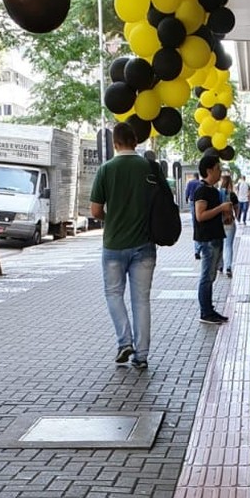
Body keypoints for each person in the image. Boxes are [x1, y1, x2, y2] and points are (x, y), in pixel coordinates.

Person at [89, 121, 156, 371]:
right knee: (141, 300)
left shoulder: (106, 169)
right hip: (145, 244)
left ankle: (124, 341)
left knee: (113, 294)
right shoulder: (148, 168)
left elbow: (95, 210)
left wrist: (112, 217)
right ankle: (142, 355)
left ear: (115, 143)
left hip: (114, 244)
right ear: (135, 141)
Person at [193, 153, 229, 326]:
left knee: (211, 276)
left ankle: (209, 309)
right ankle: (205, 312)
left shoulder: (213, 191)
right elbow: (200, 216)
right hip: (207, 239)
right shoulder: (202, 190)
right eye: (217, 168)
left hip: (215, 236)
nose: (220, 172)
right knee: (207, 277)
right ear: (209, 170)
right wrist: (221, 208)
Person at [219, 173, 238, 279]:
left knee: (220, 245)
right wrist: (236, 216)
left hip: (219, 223)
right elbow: (237, 207)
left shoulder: (218, 194)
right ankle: (228, 267)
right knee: (228, 246)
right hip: (229, 222)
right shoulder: (232, 195)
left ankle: (220, 265)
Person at [184, 172, 202, 259]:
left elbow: (187, 191)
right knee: (199, 220)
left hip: (192, 201)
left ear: (194, 176)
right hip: (199, 202)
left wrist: (186, 198)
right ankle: (199, 249)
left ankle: (195, 222)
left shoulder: (190, 183)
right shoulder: (200, 183)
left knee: (194, 220)